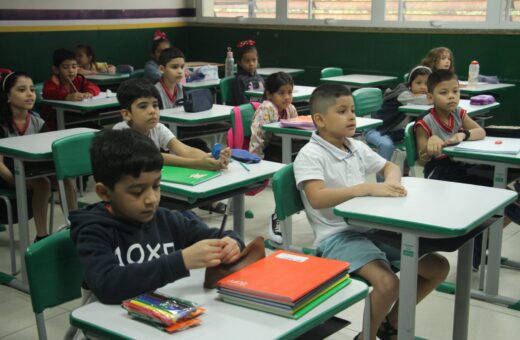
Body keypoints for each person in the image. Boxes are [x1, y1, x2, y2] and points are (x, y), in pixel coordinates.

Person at [294, 84, 449, 340]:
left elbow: (389, 166)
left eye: (352, 110)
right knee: (388, 284)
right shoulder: (310, 155)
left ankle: (393, 324)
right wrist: (365, 188)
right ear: (320, 120)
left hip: (370, 230)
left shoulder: (354, 146)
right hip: (337, 238)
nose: (352, 116)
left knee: (438, 267)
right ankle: (366, 336)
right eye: (342, 111)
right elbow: (317, 197)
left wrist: (392, 182)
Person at [69, 129, 244, 305]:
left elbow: (218, 236)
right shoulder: (93, 231)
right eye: (137, 192)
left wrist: (232, 243)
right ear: (104, 192)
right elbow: (108, 286)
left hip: (161, 319)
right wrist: (180, 261)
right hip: (108, 326)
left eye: (156, 186)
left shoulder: (166, 219)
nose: (151, 199)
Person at [0, 72, 77, 242]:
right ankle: (41, 236)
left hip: (29, 169)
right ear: (7, 97)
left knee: (65, 180)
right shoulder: (2, 124)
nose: (29, 94)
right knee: (43, 184)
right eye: (22, 90)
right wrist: (15, 181)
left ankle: (76, 227)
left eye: (32, 90)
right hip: (6, 173)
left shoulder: (37, 122)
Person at [113, 78, 230, 171]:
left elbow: (185, 150)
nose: (152, 111)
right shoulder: (121, 132)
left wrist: (211, 158)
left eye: (155, 105)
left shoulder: (158, 128)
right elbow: (156, 158)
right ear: (127, 114)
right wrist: (198, 164)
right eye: (143, 106)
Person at [248, 72, 298, 244]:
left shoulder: (290, 109)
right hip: (267, 153)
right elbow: (257, 137)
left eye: (289, 92)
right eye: (281, 93)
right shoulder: (266, 108)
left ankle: (285, 210)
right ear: (269, 94)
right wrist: (256, 160)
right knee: (289, 176)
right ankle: (278, 216)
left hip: (285, 150)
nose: (286, 97)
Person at [365, 65, 432, 181]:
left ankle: (406, 175)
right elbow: (428, 100)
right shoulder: (403, 95)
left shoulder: (418, 96)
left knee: (414, 141)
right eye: (418, 83)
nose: (423, 87)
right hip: (376, 129)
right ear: (410, 84)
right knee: (387, 145)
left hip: (395, 132)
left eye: (426, 84)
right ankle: (381, 183)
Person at [42, 48, 100, 130]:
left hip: (75, 120)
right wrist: (66, 96)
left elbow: (94, 87)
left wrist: (89, 92)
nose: (71, 71)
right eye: (65, 67)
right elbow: (48, 93)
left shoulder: (79, 79)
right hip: (55, 123)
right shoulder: (52, 82)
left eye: (74, 67)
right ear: (56, 69)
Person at [232, 39, 264, 105]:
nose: (251, 64)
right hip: (247, 112)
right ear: (240, 63)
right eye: (247, 61)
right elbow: (242, 103)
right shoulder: (240, 80)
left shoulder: (260, 78)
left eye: (254, 60)